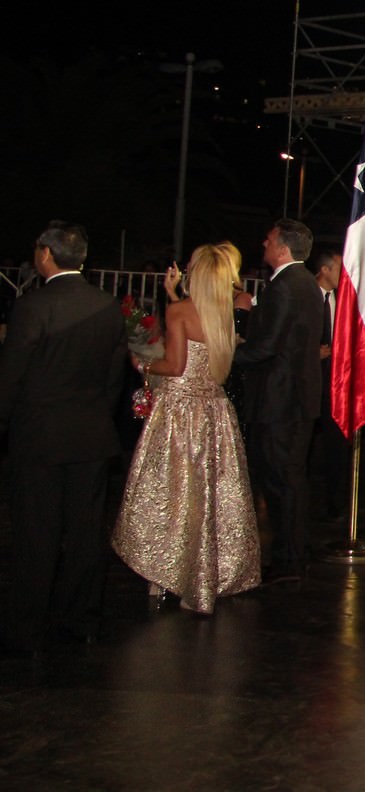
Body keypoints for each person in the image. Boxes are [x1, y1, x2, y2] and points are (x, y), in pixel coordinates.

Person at [111, 243, 260, 614]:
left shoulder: (179, 312)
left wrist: (144, 365)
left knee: (171, 493)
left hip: (180, 413)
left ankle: (164, 571)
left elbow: (175, 365)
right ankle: (205, 575)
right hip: (214, 411)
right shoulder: (227, 312)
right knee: (208, 496)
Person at [0, 222, 127, 657]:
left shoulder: (33, 306)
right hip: (90, 435)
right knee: (85, 531)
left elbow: (11, 376)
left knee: (37, 533)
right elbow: (115, 378)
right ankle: (81, 620)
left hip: (39, 437)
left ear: (46, 255)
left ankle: (27, 627)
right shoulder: (107, 306)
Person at [233, 219, 323, 583]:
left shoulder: (285, 286)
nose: (264, 244)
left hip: (280, 400)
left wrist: (227, 355)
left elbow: (267, 346)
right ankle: (295, 550)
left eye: (269, 240)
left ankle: (288, 558)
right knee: (290, 478)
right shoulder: (305, 285)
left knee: (280, 479)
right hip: (295, 397)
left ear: (283, 248)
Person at [307, 247, 348, 520]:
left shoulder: (341, 300)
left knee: (337, 444)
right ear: (324, 270)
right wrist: (311, 352)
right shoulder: (306, 297)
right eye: (338, 269)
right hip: (307, 379)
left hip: (334, 383)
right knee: (306, 443)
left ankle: (337, 502)